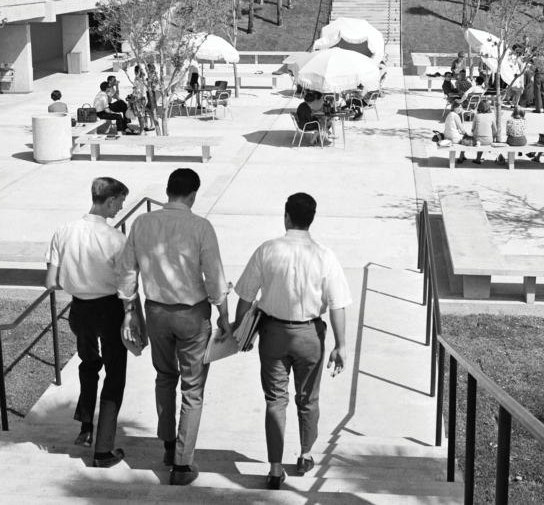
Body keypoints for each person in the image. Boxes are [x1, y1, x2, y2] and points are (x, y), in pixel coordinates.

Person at [117, 168, 231, 486]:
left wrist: (130, 311)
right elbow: (214, 278)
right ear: (193, 195)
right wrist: (223, 315)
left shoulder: (142, 223)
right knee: (192, 388)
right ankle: (182, 464)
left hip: (155, 312)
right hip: (192, 315)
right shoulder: (201, 227)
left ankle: (168, 446)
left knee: (165, 377)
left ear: (168, 191)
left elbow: (126, 273)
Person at [233, 193, 351, 490]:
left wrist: (238, 330)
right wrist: (340, 345)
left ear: (286, 216)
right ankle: (306, 454)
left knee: (276, 400)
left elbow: (246, 296)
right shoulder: (325, 255)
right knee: (308, 398)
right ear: (312, 219)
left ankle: (274, 468)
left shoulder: (267, 250)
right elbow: (337, 304)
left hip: (273, 335)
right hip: (311, 336)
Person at [45, 177, 130, 469]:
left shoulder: (63, 231)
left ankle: (85, 427)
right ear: (109, 201)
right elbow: (126, 283)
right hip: (109, 309)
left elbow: (50, 281)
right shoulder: (116, 238)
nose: (120, 208)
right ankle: (104, 450)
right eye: (120, 202)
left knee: (88, 364)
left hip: (79, 310)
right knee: (115, 374)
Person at [471, 100, 497, 164]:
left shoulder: (476, 115)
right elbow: (495, 130)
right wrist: (493, 138)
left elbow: (473, 129)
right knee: (484, 135)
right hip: (488, 140)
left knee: (478, 136)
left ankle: (478, 159)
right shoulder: (491, 116)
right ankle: (478, 158)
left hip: (477, 140)